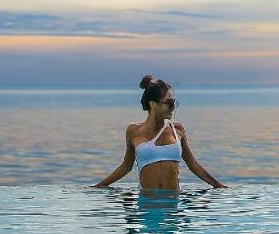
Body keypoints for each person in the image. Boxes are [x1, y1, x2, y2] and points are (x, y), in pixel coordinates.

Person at [91, 75, 228, 189]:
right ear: (153, 104)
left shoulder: (177, 130)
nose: (173, 107)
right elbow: (126, 166)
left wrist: (219, 186)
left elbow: (193, 165)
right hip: (147, 203)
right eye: (169, 103)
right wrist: (99, 186)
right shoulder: (134, 131)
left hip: (172, 203)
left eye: (174, 103)